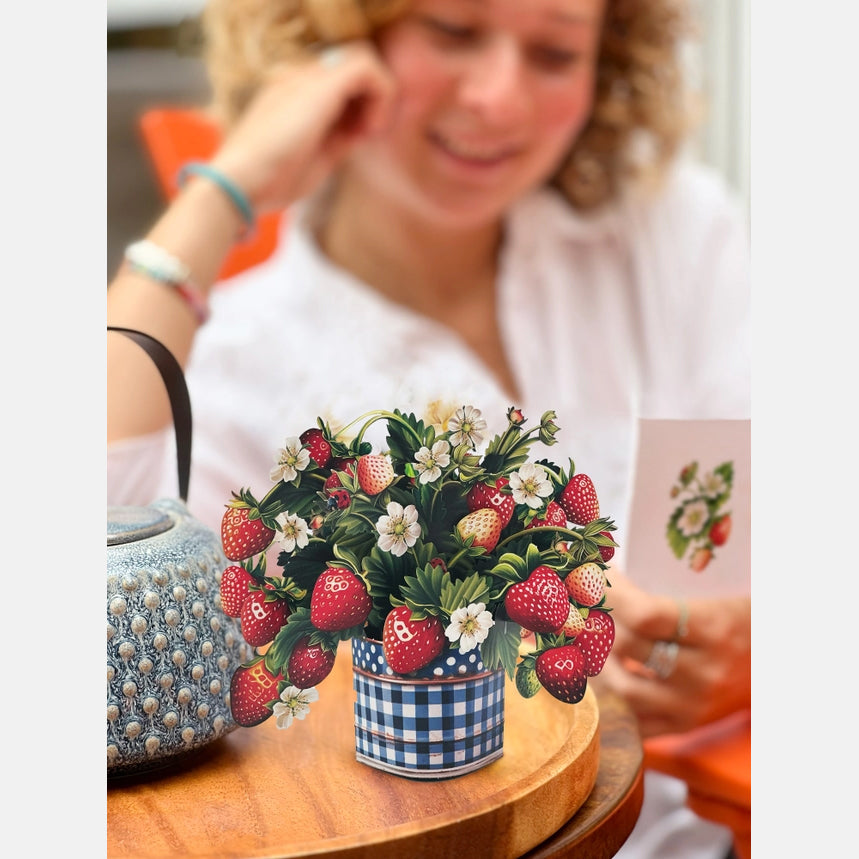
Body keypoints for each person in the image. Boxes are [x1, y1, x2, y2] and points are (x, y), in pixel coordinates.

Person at [107, 1, 751, 857]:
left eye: (555, 52)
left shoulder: (668, 236)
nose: (498, 98)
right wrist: (228, 188)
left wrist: (752, 640)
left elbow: (755, 520)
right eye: (450, 31)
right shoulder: (234, 370)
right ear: (334, 43)